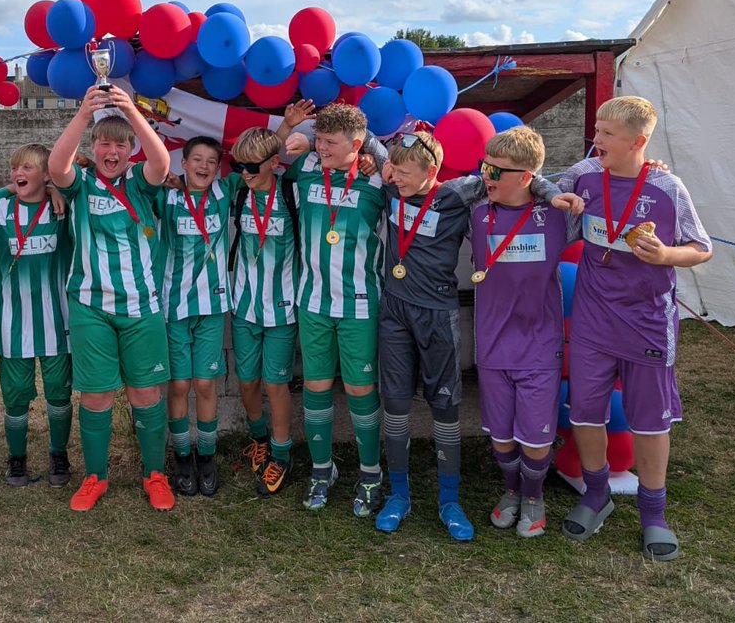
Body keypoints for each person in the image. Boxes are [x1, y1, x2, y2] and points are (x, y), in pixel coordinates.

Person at [376, 129, 578, 541]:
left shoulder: (462, 195)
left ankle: (450, 500)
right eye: (392, 169)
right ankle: (399, 494)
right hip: (394, 310)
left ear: (431, 170)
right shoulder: (387, 186)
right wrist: (374, 159)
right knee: (394, 403)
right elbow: (363, 141)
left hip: (439, 314)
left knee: (446, 405)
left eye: (404, 170)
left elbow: (528, 177)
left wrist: (543, 185)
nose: (395, 176)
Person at [558, 96, 711, 560]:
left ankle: (653, 513)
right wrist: (557, 199)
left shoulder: (667, 187)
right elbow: (545, 191)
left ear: (638, 141)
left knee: (648, 421)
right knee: (585, 412)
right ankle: (596, 494)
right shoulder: (584, 175)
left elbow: (701, 247)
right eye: (597, 131)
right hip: (591, 319)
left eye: (606, 133)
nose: (595, 139)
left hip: (647, 321)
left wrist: (667, 255)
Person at [48, 85, 174, 512]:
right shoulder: (81, 183)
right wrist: (85, 114)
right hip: (90, 307)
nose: (112, 150)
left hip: (141, 307)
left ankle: (154, 475)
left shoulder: (141, 180)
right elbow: (56, 165)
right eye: (105, 143)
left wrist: (131, 111)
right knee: (97, 396)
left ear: (130, 149)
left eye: (121, 144)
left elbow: (161, 161)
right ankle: (95, 477)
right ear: (95, 147)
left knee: (145, 394)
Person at [280, 103, 388, 517]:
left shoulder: (378, 177)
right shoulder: (306, 166)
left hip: (359, 303)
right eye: (319, 139)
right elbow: (260, 158)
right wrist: (299, 133)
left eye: (330, 141)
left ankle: (371, 474)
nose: (321, 146)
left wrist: (377, 155)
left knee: (361, 390)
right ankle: (323, 471)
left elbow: (415, 171)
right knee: (316, 388)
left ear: (357, 144)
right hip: (312, 303)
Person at [470, 126, 578, 538]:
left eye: (497, 171)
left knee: (534, 436)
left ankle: (534, 496)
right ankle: (511, 490)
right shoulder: (477, 210)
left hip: (539, 345)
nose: (487, 177)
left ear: (526, 177)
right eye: (486, 167)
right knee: (500, 435)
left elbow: (598, 182)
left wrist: (549, 191)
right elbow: (426, 179)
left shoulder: (556, 216)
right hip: (493, 345)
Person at [0, 143, 74, 488]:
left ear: (47, 174)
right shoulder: (1, 208)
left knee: (59, 393)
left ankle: (59, 453)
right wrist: (8, 189)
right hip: (14, 325)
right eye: (15, 168)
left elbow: (81, 179)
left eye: (28, 168)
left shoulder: (64, 209)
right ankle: (16, 459)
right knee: (15, 396)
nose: (19, 174)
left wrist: (55, 188)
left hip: (57, 323)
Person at [158, 135, 237, 497]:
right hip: (174, 308)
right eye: (197, 160)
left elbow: (262, 164)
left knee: (205, 385)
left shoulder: (225, 192)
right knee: (178, 385)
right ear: (183, 164)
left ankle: (206, 456)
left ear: (217, 168)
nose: (204, 167)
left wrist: (287, 130)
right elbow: (127, 187)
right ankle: (182, 455)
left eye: (211, 162)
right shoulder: (166, 195)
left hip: (212, 307)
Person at [229, 125, 300, 496]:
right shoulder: (239, 192)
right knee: (247, 381)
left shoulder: (292, 193)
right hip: (243, 306)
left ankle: (282, 454)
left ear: (275, 163)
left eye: (253, 166)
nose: (245, 172)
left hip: (282, 310)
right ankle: (259, 437)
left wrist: (370, 161)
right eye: (239, 165)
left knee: (276, 384)